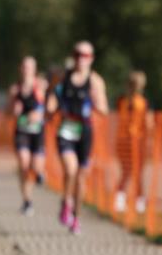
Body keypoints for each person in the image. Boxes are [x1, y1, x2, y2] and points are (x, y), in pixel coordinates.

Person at [46, 41, 109, 235]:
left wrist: (96, 101)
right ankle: (66, 201)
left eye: (85, 55)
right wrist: (50, 109)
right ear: (73, 56)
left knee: (81, 178)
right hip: (66, 129)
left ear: (91, 59)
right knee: (70, 169)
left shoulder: (96, 81)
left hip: (85, 132)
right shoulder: (62, 78)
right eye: (78, 54)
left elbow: (105, 110)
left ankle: (76, 217)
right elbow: (52, 99)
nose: (81, 58)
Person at [10, 56, 46, 215]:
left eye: (30, 67)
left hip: (37, 131)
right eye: (24, 67)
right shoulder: (15, 89)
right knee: (24, 164)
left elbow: (48, 106)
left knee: (35, 167)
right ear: (21, 69)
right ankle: (27, 201)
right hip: (22, 130)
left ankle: (39, 174)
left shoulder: (41, 86)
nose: (27, 70)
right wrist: (14, 109)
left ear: (34, 69)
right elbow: (7, 111)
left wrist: (38, 113)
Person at [115, 70, 153, 214]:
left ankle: (122, 198)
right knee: (135, 172)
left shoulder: (121, 101)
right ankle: (137, 200)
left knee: (128, 171)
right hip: (135, 142)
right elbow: (149, 124)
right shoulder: (142, 103)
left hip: (125, 140)